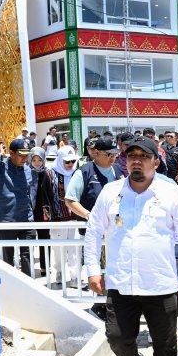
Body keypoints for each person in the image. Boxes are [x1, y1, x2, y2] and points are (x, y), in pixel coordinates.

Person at [84, 136, 178, 356]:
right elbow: (94, 231)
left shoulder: (170, 194)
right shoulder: (111, 193)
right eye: (131, 155)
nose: (136, 160)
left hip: (161, 285)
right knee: (117, 337)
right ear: (125, 161)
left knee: (165, 345)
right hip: (121, 283)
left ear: (155, 162)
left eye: (144, 156)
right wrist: (92, 270)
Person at [65, 136, 123, 320]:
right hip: (96, 232)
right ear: (95, 153)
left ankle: (112, 304)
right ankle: (101, 305)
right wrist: (90, 216)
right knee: (100, 268)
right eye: (109, 154)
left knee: (113, 268)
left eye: (115, 154)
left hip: (115, 231)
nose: (113, 158)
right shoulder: (83, 173)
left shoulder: (117, 171)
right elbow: (70, 200)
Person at [0, 138, 36, 276]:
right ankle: (11, 288)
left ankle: (28, 288)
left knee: (27, 257)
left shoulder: (28, 170)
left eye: (27, 155)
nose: (25, 158)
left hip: (26, 220)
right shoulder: (1, 167)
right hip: (6, 221)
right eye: (21, 154)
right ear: (11, 153)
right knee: (8, 259)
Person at [49, 146, 80, 283]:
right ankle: (59, 272)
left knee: (75, 248)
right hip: (58, 218)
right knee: (58, 247)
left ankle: (75, 277)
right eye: (67, 162)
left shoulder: (77, 174)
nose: (70, 164)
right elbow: (46, 196)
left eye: (73, 161)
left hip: (75, 217)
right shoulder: (50, 174)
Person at [29, 147, 61, 277]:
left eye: (40, 160)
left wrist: (54, 212)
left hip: (44, 211)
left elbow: (52, 194)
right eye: (34, 160)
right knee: (30, 240)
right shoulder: (27, 173)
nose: (37, 163)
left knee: (44, 238)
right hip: (30, 211)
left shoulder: (48, 173)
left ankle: (44, 266)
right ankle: (29, 266)